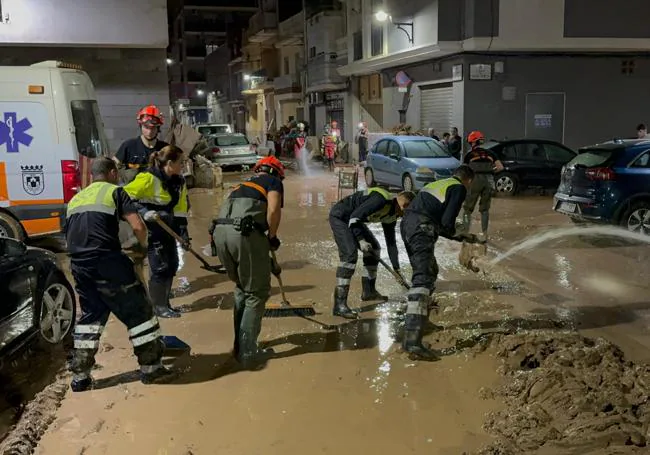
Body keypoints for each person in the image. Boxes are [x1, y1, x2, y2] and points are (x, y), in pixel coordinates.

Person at [65, 157, 175, 391]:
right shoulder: (116, 192)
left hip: (79, 265)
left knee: (90, 318)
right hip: (107, 262)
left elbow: (74, 233)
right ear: (113, 173)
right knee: (139, 313)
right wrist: (141, 248)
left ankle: (80, 377)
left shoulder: (75, 199)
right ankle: (152, 369)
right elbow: (138, 226)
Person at [211, 156, 285, 367]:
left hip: (221, 234)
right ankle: (249, 352)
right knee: (257, 293)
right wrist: (272, 237)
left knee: (242, 288)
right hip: (243, 234)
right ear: (276, 173)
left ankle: (239, 346)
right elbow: (273, 210)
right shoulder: (273, 182)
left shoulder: (241, 185)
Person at [400, 165, 478, 360]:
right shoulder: (458, 188)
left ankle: (420, 321)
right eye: (470, 185)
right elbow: (447, 224)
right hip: (421, 227)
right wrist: (465, 235)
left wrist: (458, 237)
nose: (468, 189)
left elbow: (442, 226)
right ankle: (412, 340)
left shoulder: (439, 183)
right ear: (467, 180)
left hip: (408, 225)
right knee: (423, 278)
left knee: (429, 270)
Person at [329, 187, 416, 319]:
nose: (403, 216)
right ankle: (339, 305)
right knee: (349, 255)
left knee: (374, 248)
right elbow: (354, 218)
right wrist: (361, 240)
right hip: (341, 217)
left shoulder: (391, 215)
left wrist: (396, 269)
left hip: (354, 220)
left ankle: (369, 291)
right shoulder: (381, 200)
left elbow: (391, 243)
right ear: (404, 205)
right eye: (406, 213)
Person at [124, 145, 188, 319]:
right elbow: (123, 197)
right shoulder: (148, 178)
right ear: (169, 163)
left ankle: (165, 303)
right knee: (160, 267)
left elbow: (181, 210)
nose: (183, 165)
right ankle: (158, 307)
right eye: (180, 162)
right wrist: (144, 212)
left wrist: (184, 235)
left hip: (169, 228)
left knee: (172, 265)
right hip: (152, 230)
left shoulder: (179, 182)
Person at [460, 131, 504, 241]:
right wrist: (490, 172)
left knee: (467, 209)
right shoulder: (490, 153)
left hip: (474, 180)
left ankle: (465, 232)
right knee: (485, 210)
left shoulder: (469, 155)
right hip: (489, 181)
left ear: (471, 142)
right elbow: (500, 168)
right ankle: (484, 234)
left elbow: (463, 171)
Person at [113, 105, 169, 184]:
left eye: (153, 128)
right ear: (140, 126)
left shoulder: (165, 149)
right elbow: (112, 167)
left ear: (158, 128)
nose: (149, 131)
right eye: (146, 127)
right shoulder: (128, 146)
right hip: (132, 194)